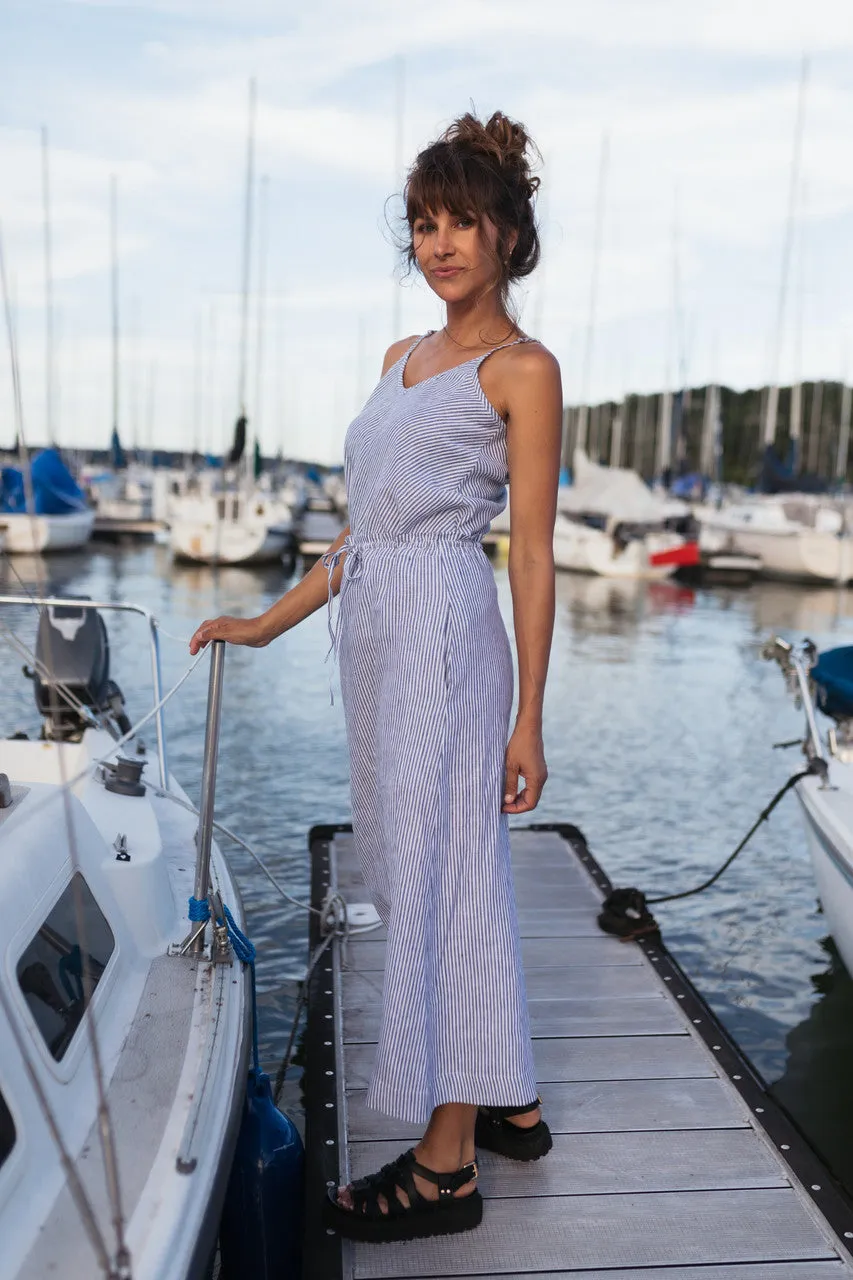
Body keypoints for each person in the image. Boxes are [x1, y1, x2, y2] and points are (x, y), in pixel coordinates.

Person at [190, 109, 562, 1244]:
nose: (439, 241)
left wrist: (530, 719)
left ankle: (448, 1165)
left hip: (448, 632)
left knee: (443, 878)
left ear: (508, 234)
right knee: (413, 871)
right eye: (422, 222)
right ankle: (510, 1095)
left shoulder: (522, 370)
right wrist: (264, 622)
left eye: (461, 221)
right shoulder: (399, 360)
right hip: (379, 636)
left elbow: (534, 552)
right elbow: (359, 537)